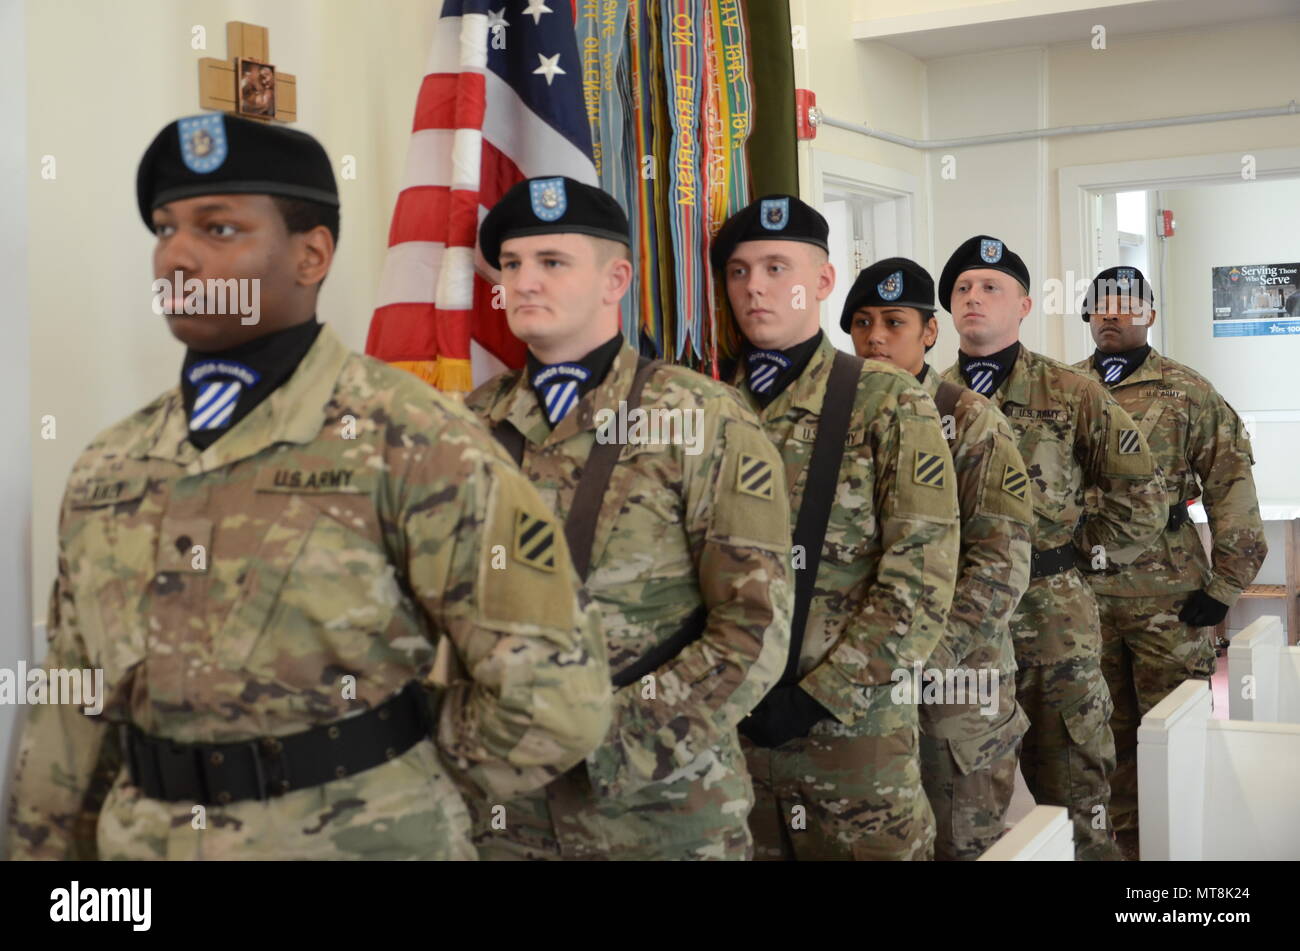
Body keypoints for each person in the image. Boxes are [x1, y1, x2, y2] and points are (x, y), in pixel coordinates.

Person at [6, 115, 611, 861]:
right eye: (166, 229)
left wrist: (393, 775)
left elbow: (557, 696)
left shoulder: (416, 442)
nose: (177, 257)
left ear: (311, 254)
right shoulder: (111, 465)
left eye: (219, 229)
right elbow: (71, 708)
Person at [465, 176, 794, 860]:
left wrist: (602, 738)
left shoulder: (700, 417)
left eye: (552, 262)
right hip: (504, 813)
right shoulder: (467, 425)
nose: (525, 281)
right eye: (513, 264)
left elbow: (755, 624)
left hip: (660, 809)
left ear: (615, 278)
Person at [714, 195, 960, 861]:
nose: (755, 288)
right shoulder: (706, 408)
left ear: (821, 282)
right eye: (739, 272)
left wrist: (820, 697)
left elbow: (921, 579)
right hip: (727, 752)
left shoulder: (886, 400)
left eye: (775, 267)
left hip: (855, 751)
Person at [937, 235, 1166, 861]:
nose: (974, 298)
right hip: (962, 628)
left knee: (1077, 800)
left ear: (1024, 306)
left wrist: (1072, 555)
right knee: (968, 807)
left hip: (1052, 624)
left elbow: (1141, 495)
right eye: (962, 288)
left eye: (991, 287)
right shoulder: (925, 399)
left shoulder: (1071, 391)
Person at [1073, 265, 1267, 858]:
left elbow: (1231, 488)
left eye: (1127, 303)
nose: (1113, 313)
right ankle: (1121, 850)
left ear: (1150, 315)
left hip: (1171, 598)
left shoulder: (1189, 392)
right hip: (1083, 595)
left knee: (1175, 731)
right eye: (1100, 303)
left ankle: (1181, 853)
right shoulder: (1062, 390)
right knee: (1095, 738)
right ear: (1086, 314)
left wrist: (1227, 583)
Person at [843, 256, 1032, 860]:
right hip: (865, 681)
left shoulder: (969, 419)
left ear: (930, 332)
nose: (875, 337)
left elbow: (1001, 565)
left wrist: (919, 660)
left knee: (961, 845)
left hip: (952, 685)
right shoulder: (834, 419)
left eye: (894, 322)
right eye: (862, 322)